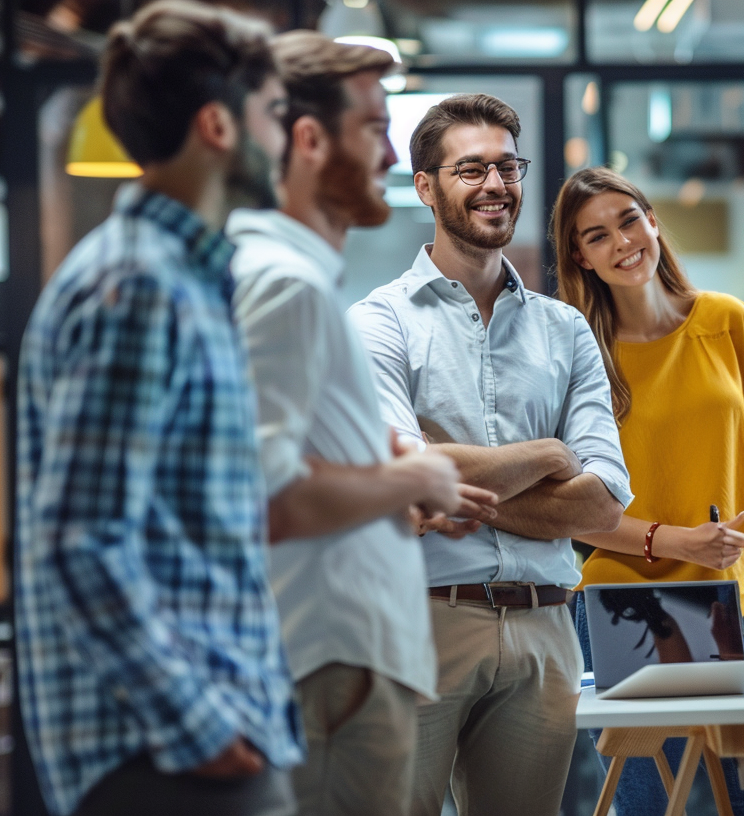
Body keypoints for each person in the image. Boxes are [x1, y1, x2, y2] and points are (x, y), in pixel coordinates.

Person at [14, 4, 302, 814]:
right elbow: (81, 537)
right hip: (165, 755)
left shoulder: (179, 277)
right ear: (218, 125)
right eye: (275, 114)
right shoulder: (140, 287)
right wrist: (197, 725)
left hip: (195, 734)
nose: (286, 139)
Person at [227, 33, 499, 816]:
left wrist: (381, 479)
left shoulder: (296, 279)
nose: (387, 154)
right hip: (328, 664)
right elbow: (265, 492)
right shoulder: (284, 285)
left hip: (344, 662)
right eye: (374, 128)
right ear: (308, 140)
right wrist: (418, 474)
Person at [349, 94, 633, 816]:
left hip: (545, 628)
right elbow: (396, 476)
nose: (495, 185)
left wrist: (445, 471)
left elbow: (603, 501)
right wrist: (545, 453)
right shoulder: (378, 322)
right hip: (419, 621)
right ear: (426, 186)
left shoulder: (566, 329)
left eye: (508, 166)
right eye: (471, 169)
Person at [553, 166, 744, 816]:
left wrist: (729, 529)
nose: (621, 242)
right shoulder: (579, 354)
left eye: (628, 220)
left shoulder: (729, 322)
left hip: (716, 595)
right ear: (579, 257)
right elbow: (567, 508)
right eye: (596, 236)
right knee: (650, 805)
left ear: (653, 221)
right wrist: (676, 542)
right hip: (618, 599)